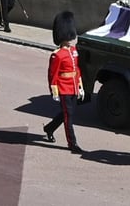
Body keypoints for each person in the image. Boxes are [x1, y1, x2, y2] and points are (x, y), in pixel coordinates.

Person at [42, 12, 85, 155]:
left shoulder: (73, 51)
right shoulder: (57, 54)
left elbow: (76, 69)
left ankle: (49, 128)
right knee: (69, 116)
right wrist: (54, 91)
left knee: (67, 113)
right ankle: (72, 143)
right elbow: (52, 75)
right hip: (63, 88)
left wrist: (80, 85)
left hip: (73, 87)